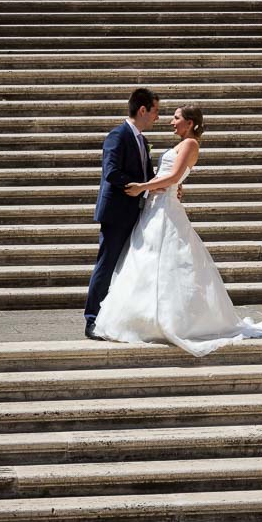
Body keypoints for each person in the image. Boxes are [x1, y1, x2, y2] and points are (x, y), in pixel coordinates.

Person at [94, 105, 262, 357]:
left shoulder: (191, 144)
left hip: (166, 209)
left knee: (169, 263)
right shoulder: (181, 144)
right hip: (155, 207)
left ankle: (171, 320)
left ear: (191, 123)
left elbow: (173, 177)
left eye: (176, 118)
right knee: (146, 262)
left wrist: (142, 186)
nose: (171, 122)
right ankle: (143, 317)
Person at [84, 88, 160, 340]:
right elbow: (112, 172)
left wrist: (162, 187)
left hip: (136, 212)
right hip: (117, 212)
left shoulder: (141, 140)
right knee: (106, 265)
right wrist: (137, 187)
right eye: (155, 111)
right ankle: (92, 319)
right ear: (142, 110)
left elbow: (146, 176)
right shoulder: (117, 136)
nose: (157, 118)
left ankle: (117, 317)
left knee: (127, 267)